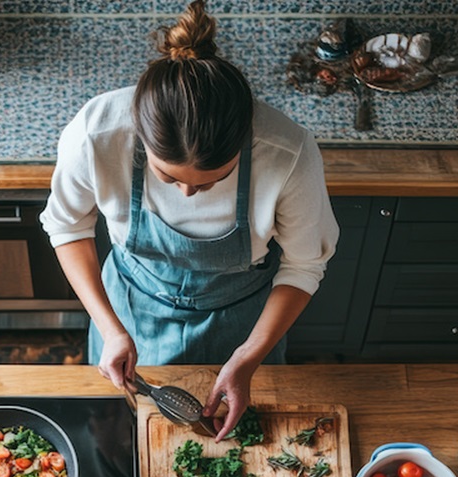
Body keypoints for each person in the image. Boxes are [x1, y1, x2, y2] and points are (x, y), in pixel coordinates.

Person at [39, 0, 339, 439]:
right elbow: (67, 226)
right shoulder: (98, 133)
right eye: (168, 177)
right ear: (140, 136)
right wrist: (110, 329)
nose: (186, 193)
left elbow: (304, 265)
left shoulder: (287, 153)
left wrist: (248, 358)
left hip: (240, 321)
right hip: (128, 308)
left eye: (210, 182)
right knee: (118, 435)